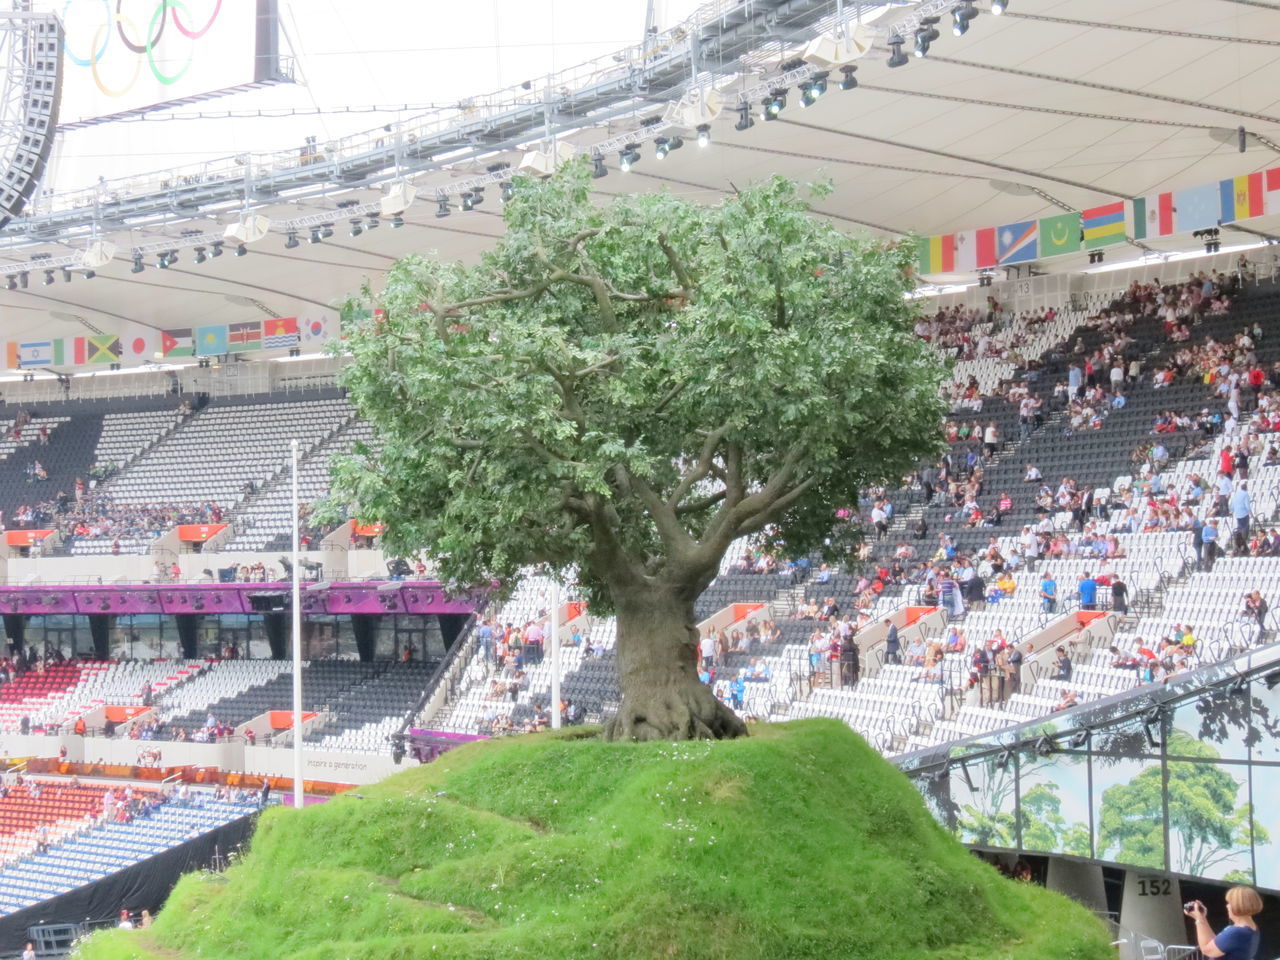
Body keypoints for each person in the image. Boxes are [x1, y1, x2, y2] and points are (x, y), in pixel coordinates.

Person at [1184, 885, 1262, 959]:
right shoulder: (1250, 928)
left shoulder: (1237, 932)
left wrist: (1199, 919)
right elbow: (1215, 943)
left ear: (1238, 905)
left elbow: (1207, 950)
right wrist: (1202, 918)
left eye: (1229, 903)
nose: (1227, 906)